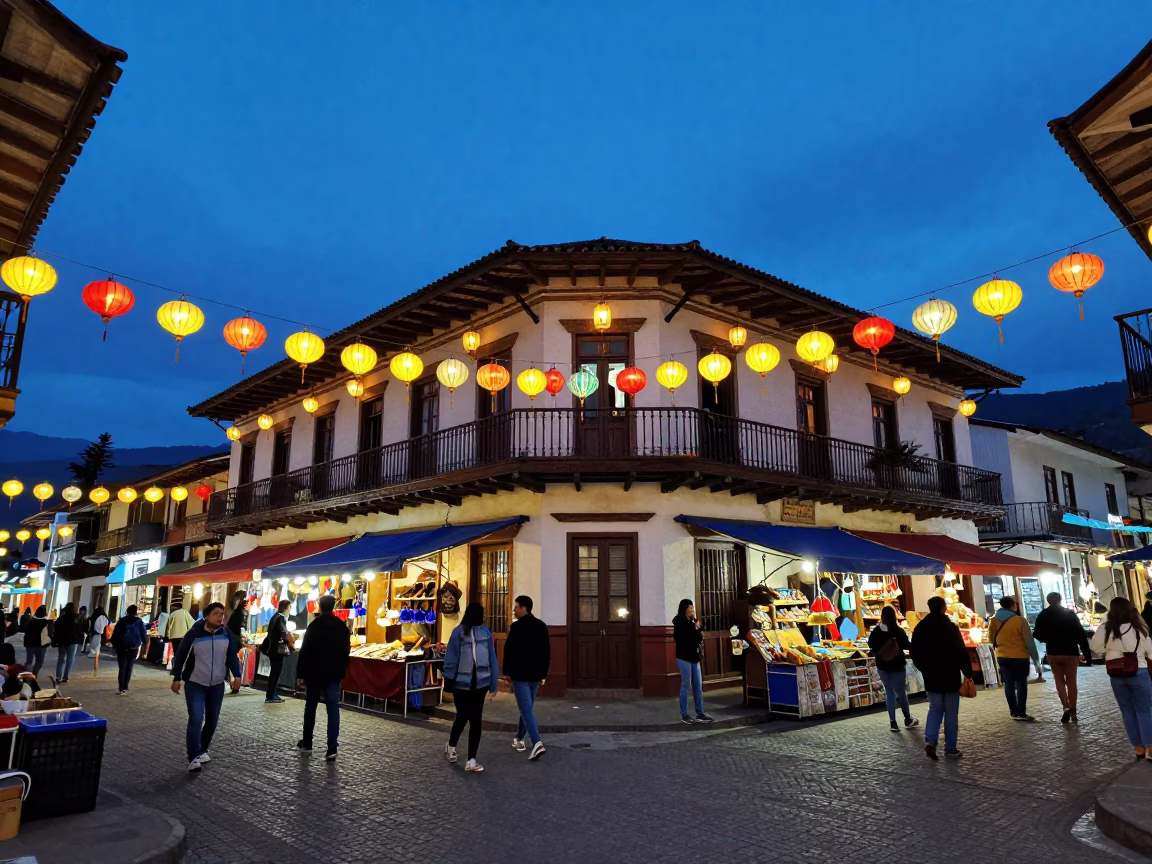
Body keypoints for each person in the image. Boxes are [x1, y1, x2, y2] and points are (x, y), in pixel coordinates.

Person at [171, 601, 242, 772]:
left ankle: (203, 748)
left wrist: (237, 675)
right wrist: (177, 677)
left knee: (212, 721)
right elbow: (181, 656)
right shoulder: (194, 634)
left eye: (222, 614)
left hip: (217, 684)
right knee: (196, 718)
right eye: (216, 614)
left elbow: (232, 656)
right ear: (207, 616)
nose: (220, 617)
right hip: (195, 683)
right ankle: (193, 756)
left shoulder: (226, 634)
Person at [911, 595, 973, 761]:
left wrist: (924, 668)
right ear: (943, 608)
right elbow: (961, 651)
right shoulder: (950, 627)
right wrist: (968, 672)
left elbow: (914, 652)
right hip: (950, 675)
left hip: (931, 676)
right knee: (951, 713)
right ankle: (950, 748)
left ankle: (931, 741)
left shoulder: (921, 627)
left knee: (935, 708)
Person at [1090, 597, 1152, 761]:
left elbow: (1095, 647)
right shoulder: (1138, 627)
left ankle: (1138, 748)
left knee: (1127, 711)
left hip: (1117, 674)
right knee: (1145, 710)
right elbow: (1150, 651)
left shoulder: (1106, 627)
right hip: (1139, 671)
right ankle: (1150, 747)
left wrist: (1111, 647)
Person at [442, 602, 499, 772]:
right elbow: (451, 658)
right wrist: (449, 680)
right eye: (482, 614)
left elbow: (492, 658)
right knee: (463, 716)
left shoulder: (485, 632)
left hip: (480, 683)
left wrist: (493, 683)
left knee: (475, 720)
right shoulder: (458, 632)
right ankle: (451, 747)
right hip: (461, 684)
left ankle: (471, 760)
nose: (484, 617)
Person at [295, 594, 351, 761]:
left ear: (319, 606)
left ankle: (307, 742)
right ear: (333, 606)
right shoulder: (341, 626)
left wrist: (301, 674)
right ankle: (332, 747)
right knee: (333, 708)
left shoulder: (314, 626)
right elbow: (345, 651)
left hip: (314, 673)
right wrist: (342, 669)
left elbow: (305, 650)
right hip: (333, 674)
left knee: (310, 707)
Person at [502, 595, 550, 759]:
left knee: (525, 708)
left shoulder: (516, 628)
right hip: (535, 674)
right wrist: (544, 672)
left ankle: (537, 742)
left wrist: (506, 672)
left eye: (516, 607)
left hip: (520, 675)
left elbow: (509, 651)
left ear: (524, 608)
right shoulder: (541, 626)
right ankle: (519, 738)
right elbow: (546, 652)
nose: (514, 610)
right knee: (527, 707)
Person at [1032, 592, 1091, 724]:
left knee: (1059, 682)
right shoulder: (1069, 614)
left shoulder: (1043, 614)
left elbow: (1037, 633)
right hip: (1070, 652)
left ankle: (1065, 706)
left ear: (1048, 601)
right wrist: (1087, 654)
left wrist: (1048, 640)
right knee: (1071, 682)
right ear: (1060, 599)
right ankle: (1073, 710)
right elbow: (1080, 634)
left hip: (1053, 652)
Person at [987, 596, 1041, 722]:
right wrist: (1036, 659)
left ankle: (1013, 712)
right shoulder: (1020, 620)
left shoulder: (994, 620)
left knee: (1009, 684)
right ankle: (1021, 712)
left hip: (1002, 655)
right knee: (1021, 684)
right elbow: (1029, 642)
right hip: (1019, 656)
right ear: (1013, 606)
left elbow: (991, 639)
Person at [868, 604, 918, 731]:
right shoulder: (898, 631)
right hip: (897, 665)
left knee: (889, 692)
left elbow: (871, 645)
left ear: (882, 617)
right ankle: (907, 719)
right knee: (901, 692)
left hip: (882, 666)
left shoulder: (876, 631)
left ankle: (893, 723)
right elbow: (907, 645)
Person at [672, 598, 715, 724]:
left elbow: (698, 638)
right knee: (686, 685)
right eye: (690, 607)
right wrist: (694, 628)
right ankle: (684, 714)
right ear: (684, 608)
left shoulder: (693, 622)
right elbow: (683, 639)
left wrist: (696, 624)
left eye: (693, 607)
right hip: (684, 657)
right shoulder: (679, 622)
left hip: (694, 658)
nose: (693, 609)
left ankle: (700, 713)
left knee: (698, 685)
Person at [110, 605, 148, 695]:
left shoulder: (122, 621)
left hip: (121, 647)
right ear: (135, 612)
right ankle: (125, 687)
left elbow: (115, 634)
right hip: (133, 647)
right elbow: (143, 634)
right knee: (129, 666)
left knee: (122, 667)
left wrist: (114, 645)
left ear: (127, 611)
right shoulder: (139, 622)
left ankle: (121, 688)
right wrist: (144, 643)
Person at [262, 599, 294, 703]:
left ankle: (271, 694)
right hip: (276, 650)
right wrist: (290, 641)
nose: (290, 609)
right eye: (289, 607)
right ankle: (271, 695)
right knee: (275, 673)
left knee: (274, 672)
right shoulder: (281, 618)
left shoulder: (275, 616)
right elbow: (283, 633)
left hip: (272, 649)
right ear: (286, 607)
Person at [51, 602, 82, 683]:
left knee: (61, 659)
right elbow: (80, 630)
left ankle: (58, 677)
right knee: (70, 659)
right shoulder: (77, 618)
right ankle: (66, 676)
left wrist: (55, 640)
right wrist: (80, 639)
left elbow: (56, 630)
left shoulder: (62, 618)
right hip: (73, 641)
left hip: (62, 641)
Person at [22, 606, 51, 675]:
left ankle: (27, 676)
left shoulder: (31, 621)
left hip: (30, 644)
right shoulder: (47, 623)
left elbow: (26, 633)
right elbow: (50, 633)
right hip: (41, 645)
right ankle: (34, 674)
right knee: (40, 661)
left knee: (29, 661)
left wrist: (25, 643)